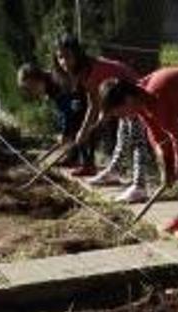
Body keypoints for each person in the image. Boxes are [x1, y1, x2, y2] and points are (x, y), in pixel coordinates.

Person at [99, 68, 178, 237]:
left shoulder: (156, 97)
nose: (121, 118)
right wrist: (166, 169)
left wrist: (177, 165)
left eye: (120, 112)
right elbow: (157, 136)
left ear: (128, 99)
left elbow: (176, 136)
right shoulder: (141, 100)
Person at [52, 34, 149, 202]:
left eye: (67, 56)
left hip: (133, 96)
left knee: (136, 140)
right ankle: (114, 172)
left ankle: (140, 186)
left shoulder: (94, 69)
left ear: (78, 54)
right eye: (60, 57)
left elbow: (100, 104)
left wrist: (93, 125)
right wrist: (84, 129)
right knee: (123, 136)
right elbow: (93, 102)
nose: (63, 62)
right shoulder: (82, 73)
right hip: (119, 99)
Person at [16, 63, 93, 172]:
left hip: (85, 99)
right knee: (73, 127)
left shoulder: (56, 82)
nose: (32, 92)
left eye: (32, 87)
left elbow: (68, 109)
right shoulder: (49, 86)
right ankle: (73, 157)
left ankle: (88, 164)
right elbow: (63, 111)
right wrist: (64, 131)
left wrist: (65, 132)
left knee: (80, 126)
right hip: (75, 103)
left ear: (38, 79)